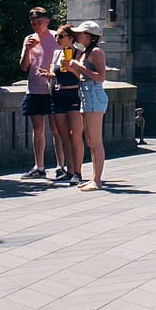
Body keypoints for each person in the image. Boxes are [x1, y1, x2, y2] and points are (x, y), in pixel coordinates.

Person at [20, 7, 60, 178]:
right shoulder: (28, 39)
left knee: (57, 129)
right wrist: (28, 49)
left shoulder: (56, 38)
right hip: (34, 89)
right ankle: (39, 166)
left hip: (53, 88)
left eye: (39, 22)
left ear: (47, 21)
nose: (36, 26)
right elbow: (23, 67)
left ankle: (61, 166)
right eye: (33, 23)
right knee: (38, 128)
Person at [73, 21, 111, 190]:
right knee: (90, 139)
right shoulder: (83, 52)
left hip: (94, 94)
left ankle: (97, 180)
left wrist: (79, 67)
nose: (77, 36)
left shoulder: (96, 52)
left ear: (89, 36)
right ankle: (94, 178)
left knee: (95, 140)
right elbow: (82, 76)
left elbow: (101, 77)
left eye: (80, 33)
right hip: (86, 94)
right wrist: (73, 68)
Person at [47, 23, 85, 185]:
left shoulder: (79, 53)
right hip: (58, 95)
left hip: (73, 94)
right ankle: (69, 170)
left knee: (75, 135)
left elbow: (83, 76)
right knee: (63, 136)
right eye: (56, 36)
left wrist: (72, 68)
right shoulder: (56, 53)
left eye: (61, 36)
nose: (57, 39)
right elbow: (54, 72)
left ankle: (78, 171)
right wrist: (47, 74)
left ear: (70, 38)